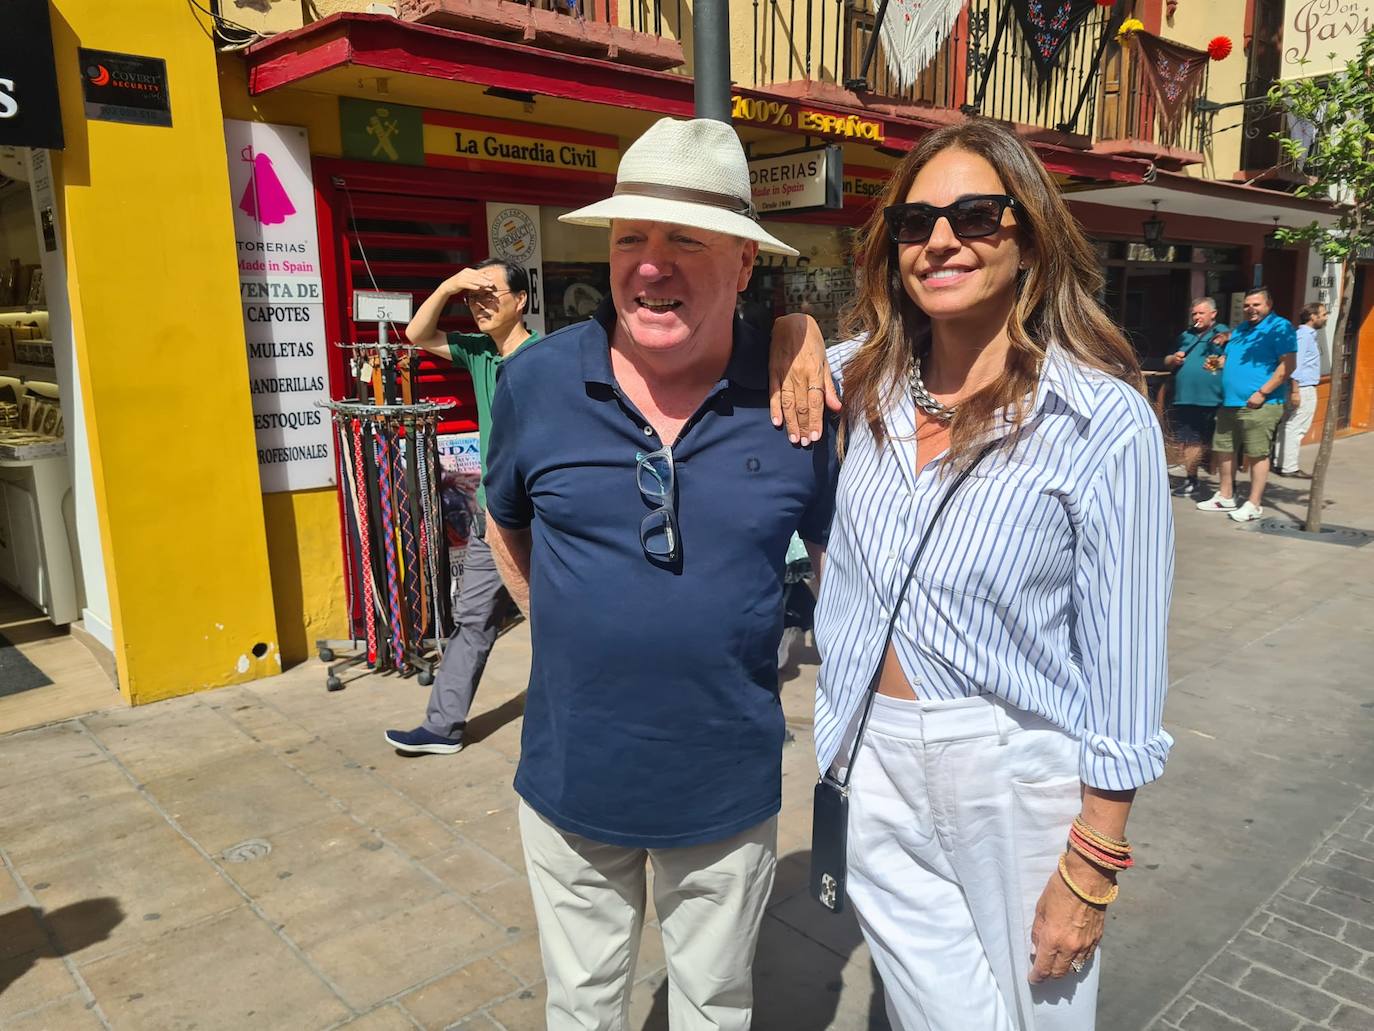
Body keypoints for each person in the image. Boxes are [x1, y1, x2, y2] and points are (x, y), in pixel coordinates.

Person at [790, 118, 1173, 1030]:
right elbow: (759, 348)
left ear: (1029, 233)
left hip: (1013, 764)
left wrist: (1093, 862)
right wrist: (794, 325)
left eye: (975, 214)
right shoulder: (861, 382)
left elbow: (1124, 663)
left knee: (1040, 1017)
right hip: (865, 748)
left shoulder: (1100, 421)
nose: (942, 240)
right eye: (916, 223)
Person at [481, 117, 837, 1030]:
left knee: (715, 1004)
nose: (650, 264)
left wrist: (802, 334)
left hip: (726, 783)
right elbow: (503, 521)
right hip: (571, 775)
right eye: (631, 237)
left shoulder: (797, 397)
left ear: (746, 264)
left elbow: (847, 568)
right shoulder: (537, 383)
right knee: (583, 1005)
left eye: (685, 239)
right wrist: (569, 630)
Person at [384, 259, 538, 756]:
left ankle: (593, 712)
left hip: (538, 521)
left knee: (557, 620)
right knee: (473, 619)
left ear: (522, 301)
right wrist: (449, 284)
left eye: (491, 294)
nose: (480, 305)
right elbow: (416, 333)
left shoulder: (546, 357)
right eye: (474, 297)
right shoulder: (478, 353)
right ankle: (442, 726)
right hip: (488, 513)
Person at [1195, 286, 1297, 523]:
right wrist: (1218, 363)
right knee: (1223, 448)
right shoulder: (1240, 329)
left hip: (1261, 403)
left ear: (1268, 305)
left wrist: (1263, 392)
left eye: (1256, 304)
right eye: (1247, 305)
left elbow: (1287, 365)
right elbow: (1231, 358)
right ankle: (1225, 496)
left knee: (1257, 453)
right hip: (1230, 401)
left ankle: (1254, 504)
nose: (1251, 309)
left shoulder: (1280, 327)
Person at [1163, 297, 1228, 497]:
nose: (1197, 317)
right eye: (1194, 314)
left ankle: (1225, 488)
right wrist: (1174, 359)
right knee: (1189, 441)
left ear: (1213, 314)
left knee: (1216, 443)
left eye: (1201, 313)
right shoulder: (1185, 336)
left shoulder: (1224, 333)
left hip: (1212, 398)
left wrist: (1216, 363)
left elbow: (1231, 359)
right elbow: (1166, 361)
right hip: (1185, 397)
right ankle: (1191, 481)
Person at [1274, 301, 1327, 478]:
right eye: (1323, 314)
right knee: (1297, 427)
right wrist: (1295, 390)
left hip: (1297, 387)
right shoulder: (1304, 336)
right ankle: (1289, 466)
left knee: (1287, 424)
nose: (1325, 317)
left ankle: (1280, 462)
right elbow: (1296, 364)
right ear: (1313, 317)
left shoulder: (1305, 335)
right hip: (1302, 388)